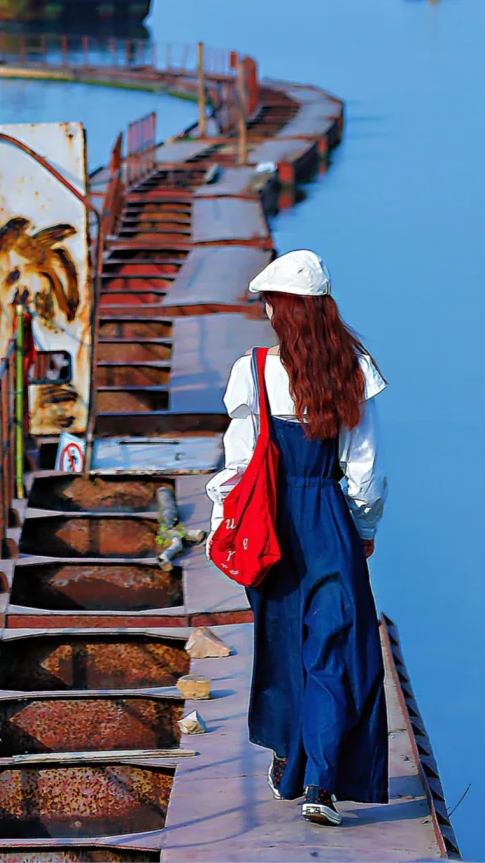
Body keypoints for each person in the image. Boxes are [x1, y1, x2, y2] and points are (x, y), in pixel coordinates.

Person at [207, 249, 388, 827]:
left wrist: (222, 525)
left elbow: (237, 462)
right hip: (328, 519)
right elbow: (364, 468)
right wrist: (362, 531)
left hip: (270, 523)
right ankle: (321, 783)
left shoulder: (254, 369)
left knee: (284, 646)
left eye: (268, 301)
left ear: (282, 309)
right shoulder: (353, 368)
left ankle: (291, 764)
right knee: (337, 651)